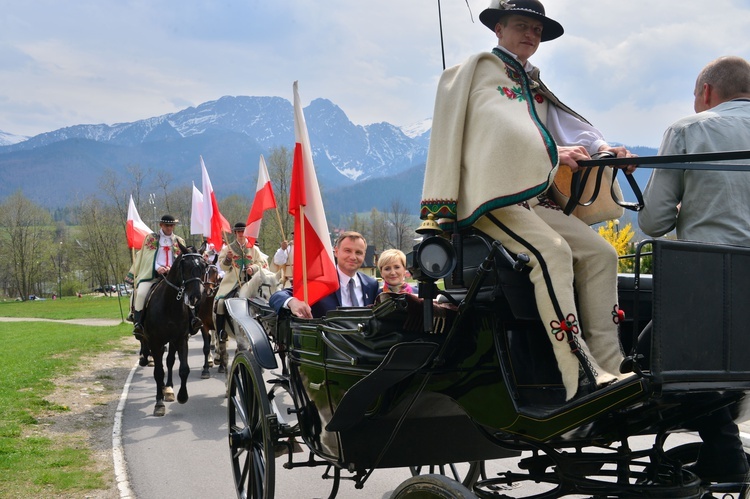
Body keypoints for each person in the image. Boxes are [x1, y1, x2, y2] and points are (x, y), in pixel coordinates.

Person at [420, 0, 637, 401]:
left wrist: (605, 149)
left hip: (532, 202)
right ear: (498, 28)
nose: (531, 35)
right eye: (522, 26)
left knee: (602, 255)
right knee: (552, 252)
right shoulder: (482, 72)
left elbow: (569, 126)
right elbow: (501, 129)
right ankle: (580, 371)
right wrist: (555, 151)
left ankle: (612, 362)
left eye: (537, 31)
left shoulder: (532, 84)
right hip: (489, 202)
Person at [639, 55, 750, 484]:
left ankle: (724, 452)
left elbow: (653, 222)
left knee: (657, 347)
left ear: (706, 92)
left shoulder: (689, 129)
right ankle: (723, 451)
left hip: (711, 278)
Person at [269, 231, 379, 318]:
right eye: (347, 251)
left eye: (358, 252)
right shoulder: (319, 281)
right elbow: (276, 297)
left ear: (364, 255)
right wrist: (292, 302)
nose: (353, 257)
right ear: (336, 252)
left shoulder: (371, 285)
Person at [128, 215, 199, 340]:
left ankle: (192, 320)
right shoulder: (151, 239)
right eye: (167, 225)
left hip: (174, 277)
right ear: (161, 225)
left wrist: (171, 268)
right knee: (141, 293)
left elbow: (182, 261)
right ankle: (138, 323)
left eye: (171, 225)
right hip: (154, 275)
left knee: (188, 293)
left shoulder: (179, 240)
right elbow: (147, 257)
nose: (169, 228)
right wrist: (158, 268)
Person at [213, 222, 269, 341]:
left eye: (243, 231)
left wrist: (252, 268)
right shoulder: (227, 248)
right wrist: (228, 259)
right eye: (238, 232)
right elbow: (223, 267)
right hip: (232, 284)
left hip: (251, 283)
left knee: (266, 299)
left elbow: (262, 263)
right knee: (221, 303)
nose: (241, 234)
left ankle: (266, 329)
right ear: (235, 233)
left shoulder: (254, 249)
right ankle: (221, 332)